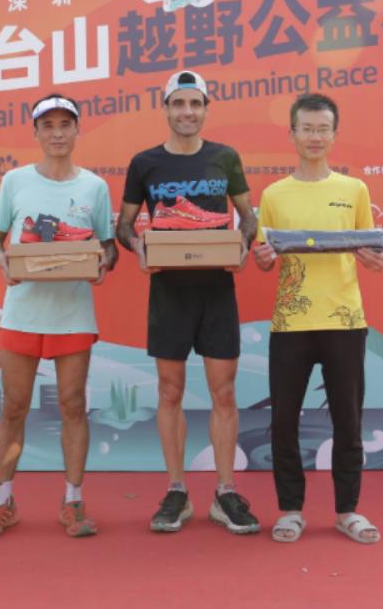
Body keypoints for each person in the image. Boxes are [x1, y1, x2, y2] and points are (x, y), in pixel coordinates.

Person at [116, 70, 260, 535]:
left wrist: (242, 244)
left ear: (205, 110)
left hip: (217, 290)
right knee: (169, 391)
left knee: (224, 393)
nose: (187, 112)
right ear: (166, 109)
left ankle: (225, 492)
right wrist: (138, 248)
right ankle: (177, 491)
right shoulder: (145, 163)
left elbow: (248, 216)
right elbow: (124, 225)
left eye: (195, 104)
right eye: (179, 103)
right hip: (168, 291)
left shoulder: (225, 157)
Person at [0, 94, 117, 540]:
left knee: (73, 405)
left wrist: (103, 264)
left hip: (72, 313)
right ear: (35, 133)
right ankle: (2, 501)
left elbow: (107, 245)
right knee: (13, 406)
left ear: (77, 131)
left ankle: (73, 500)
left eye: (65, 124)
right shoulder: (15, 181)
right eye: (48, 125)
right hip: (22, 311)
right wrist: (3, 260)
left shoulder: (94, 187)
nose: (57, 133)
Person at [252, 93, 383, 545]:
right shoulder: (273, 195)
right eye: (306, 128)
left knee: (348, 420)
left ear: (334, 135)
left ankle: (348, 510)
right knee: (283, 421)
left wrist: (374, 260)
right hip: (290, 323)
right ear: (292, 134)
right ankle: (290, 510)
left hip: (344, 321)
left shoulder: (354, 190)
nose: (314, 136)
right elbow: (265, 258)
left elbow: (373, 253)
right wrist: (263, 259)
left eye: (322, 129)